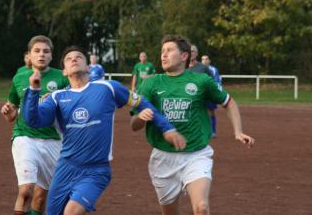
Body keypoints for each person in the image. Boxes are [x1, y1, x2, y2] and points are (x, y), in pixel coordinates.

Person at [21, 46, 187, 215]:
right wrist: (34, 90)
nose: (74, 59)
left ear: (88, 67)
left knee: (71, 212)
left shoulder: (108, 88)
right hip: (65, 168)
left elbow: (142, 103)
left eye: (79, 56)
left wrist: (167, 128)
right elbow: (33, 120)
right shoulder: (57, 97)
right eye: (69, 58)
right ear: (64, 71)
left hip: (96, 170)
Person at [130, 34, 255, 215]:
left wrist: (238, 131)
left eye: (169, 50)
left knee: (201, 207)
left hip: (196, 154)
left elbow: (229, 102)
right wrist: (141, 117)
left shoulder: (201, 81)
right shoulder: (150, 83)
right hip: (163, 159)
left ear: (184, 56)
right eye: (162, 51)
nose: (163, 55)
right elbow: (134, 125)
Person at [0, 35, 69, 215]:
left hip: (54, 140)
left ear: (51, 56)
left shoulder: (62, 78)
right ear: (29, 55)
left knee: (40, 198)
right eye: (36, 51)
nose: (41, 55)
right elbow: (13, 112)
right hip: (25, 137)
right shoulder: (19, 78)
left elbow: (70, 108)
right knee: (26, 191)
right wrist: (9, 112)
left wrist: (56, 101)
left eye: (46, 51)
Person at [201, 55, 222, 137]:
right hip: (201, 94)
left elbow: (217, 81)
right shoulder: (199, 68)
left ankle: (213, 131)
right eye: (202, 59)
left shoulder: (213, 70)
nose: (204, 61)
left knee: (211, 113)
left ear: (209, 61)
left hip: (209, 94)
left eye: (206, 59)